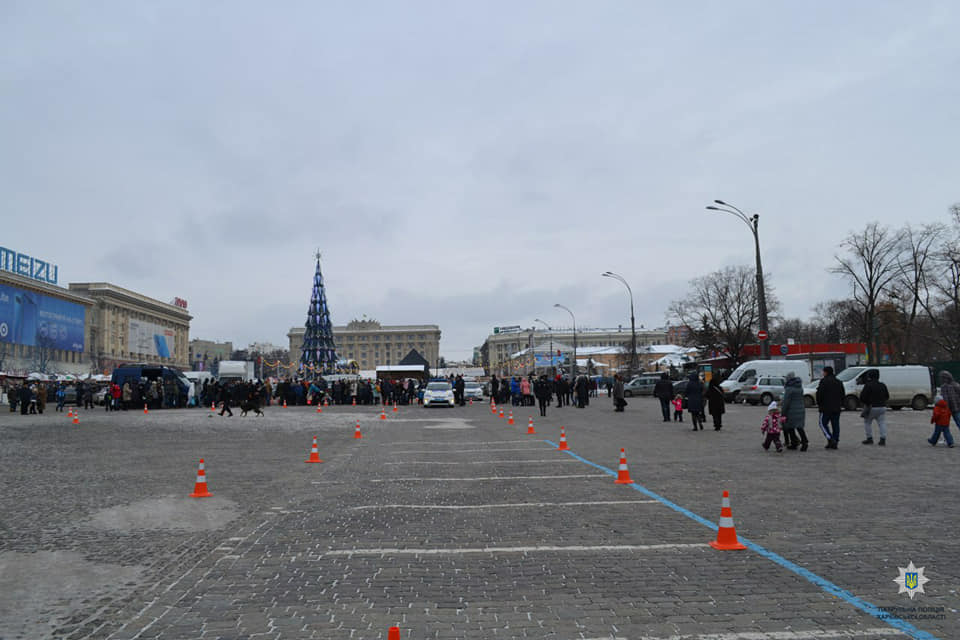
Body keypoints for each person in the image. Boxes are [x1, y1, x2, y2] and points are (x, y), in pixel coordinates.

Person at [816, 366, 844, 449]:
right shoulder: (838, 382)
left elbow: (819, 394)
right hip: (836, 407)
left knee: (822, 424)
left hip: (825, 408)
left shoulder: (823, 382)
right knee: (835, 425)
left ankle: (830, 439)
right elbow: (842, 394)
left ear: (826, 372)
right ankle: (835, 440)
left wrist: (820, 404)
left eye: (823, 372)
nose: (823, 373)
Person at [860, 369, 889, 445]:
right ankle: (883, 439)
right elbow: (887, 396)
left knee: (867, 422)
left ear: (869, 376)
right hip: (882, 407)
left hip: (871, 407)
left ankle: (869, 438)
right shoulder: (882, 385)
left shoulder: (868, 385)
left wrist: (867, 403)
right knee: (882, 423)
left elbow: (862, 397)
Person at [781, 372, 809, 451]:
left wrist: (783, 413)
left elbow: (786, 402)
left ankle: (794, 443)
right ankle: (804, 442)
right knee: (800, 427)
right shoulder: (800, 388)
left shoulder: (789, 389)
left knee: (790, 427)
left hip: (791, 411)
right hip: (801, 410)